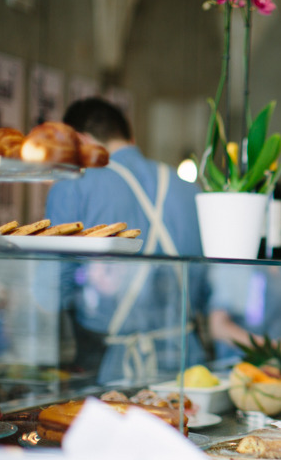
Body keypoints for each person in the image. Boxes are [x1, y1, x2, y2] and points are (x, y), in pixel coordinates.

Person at [45, 97, 210, 383]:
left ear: (80, 140)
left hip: (107, 366)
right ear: (130, 137)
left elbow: (52, 289)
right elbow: (208, 285)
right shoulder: (191, 189)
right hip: (186, 363)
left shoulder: (72, 185)